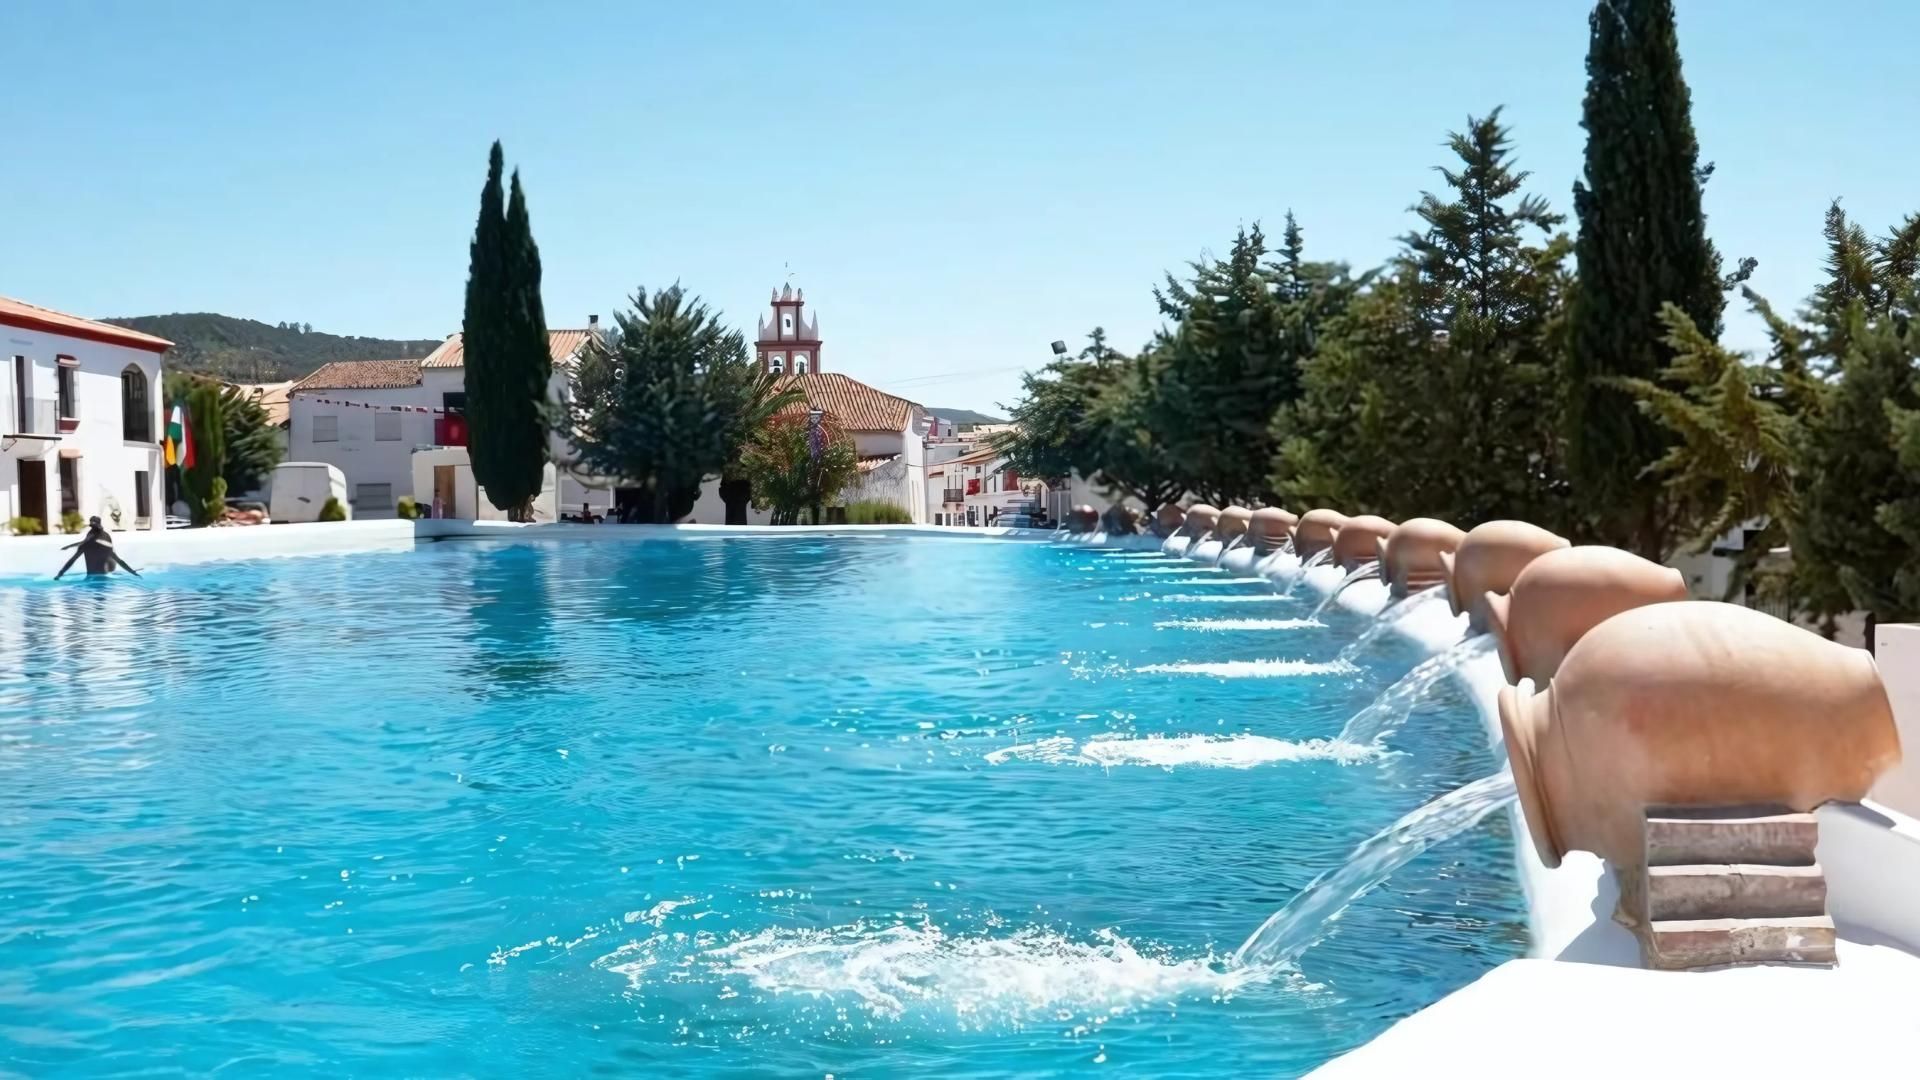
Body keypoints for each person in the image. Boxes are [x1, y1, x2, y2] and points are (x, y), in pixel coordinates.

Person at [56, 517, 141, 579]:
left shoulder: (94, 544)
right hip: (103, 577)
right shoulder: (91, 544)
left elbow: (72, 560)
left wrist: (60, 573)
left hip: (94, 577)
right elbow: (119, 560)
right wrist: (132, 572)